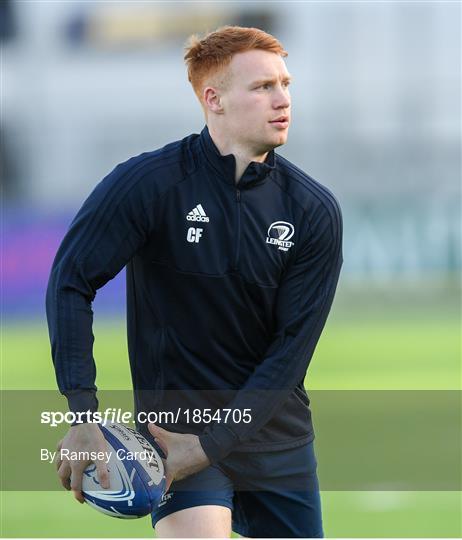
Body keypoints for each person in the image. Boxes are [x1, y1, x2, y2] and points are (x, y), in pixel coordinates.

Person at [46, 26, 343, 538]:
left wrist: (210, 445)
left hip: (276, 440)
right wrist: (82, 414)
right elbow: (70, 281)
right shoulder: (149, 184)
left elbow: (291, 351)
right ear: (214, 99)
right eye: (263, 87)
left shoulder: (313, 210)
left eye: (285, 84)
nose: (283, 99)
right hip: (174, 435)